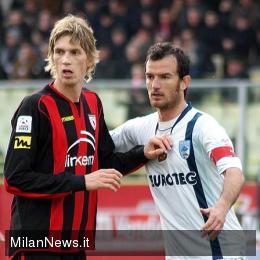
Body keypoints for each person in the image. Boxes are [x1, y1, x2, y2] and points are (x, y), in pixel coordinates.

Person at [3, 15, 169, 260]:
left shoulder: (93, 103)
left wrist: (142, 154)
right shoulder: (34, 107)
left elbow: (104, 165)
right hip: (36, 245)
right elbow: (15, 179)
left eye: (75, 52)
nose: (66, 60)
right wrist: (81, 182)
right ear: (51, 57)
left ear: (90, 60)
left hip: (75, 245)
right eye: (59, 52)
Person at [110, 42, 245, 259]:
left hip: (221, 253)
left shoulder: (203, 126)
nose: (154, 85)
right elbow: (97, 147)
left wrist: (221, 207)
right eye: (149, 76)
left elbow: (234, 171)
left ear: (184, 82)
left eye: (164, 77)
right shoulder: (139, 128)